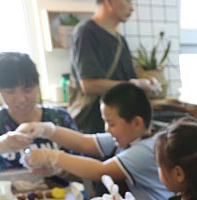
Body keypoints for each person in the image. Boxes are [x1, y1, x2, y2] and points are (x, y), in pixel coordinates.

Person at [20, 82, 172, 200]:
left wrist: (53, 157)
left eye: (111, 123)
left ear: (136, 123)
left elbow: (100, 171)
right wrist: (46, 130)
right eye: (105, 122)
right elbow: (84, 142)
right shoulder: (127, 138)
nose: (107, 129)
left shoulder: (146, 148)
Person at [69, 0, 160, 133]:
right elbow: (88, 84)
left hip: (120, 129)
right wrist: (135, 85)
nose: (132, 8)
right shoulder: (86, 33)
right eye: (127, 1)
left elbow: (128, 81)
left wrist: (148, 83)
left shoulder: (120, 40)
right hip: (94, 126)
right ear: (108, 2)